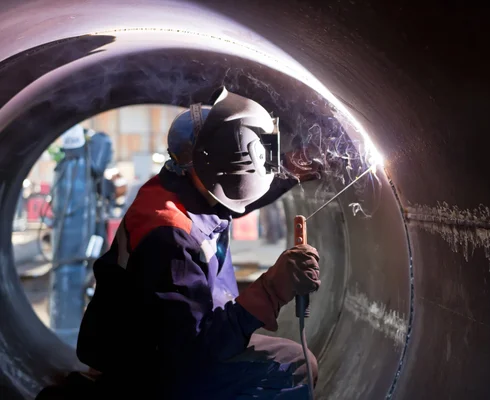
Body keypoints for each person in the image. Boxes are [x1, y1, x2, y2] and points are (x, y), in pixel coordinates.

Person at [76, 88, 325, 400]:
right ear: (208, 164)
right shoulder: (170, 235)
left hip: (169, 339)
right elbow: (193, 352)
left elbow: (233, 198)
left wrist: (286, 169)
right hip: (151, 364)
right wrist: (272, 289)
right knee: (295, 366)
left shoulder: (182, 185)